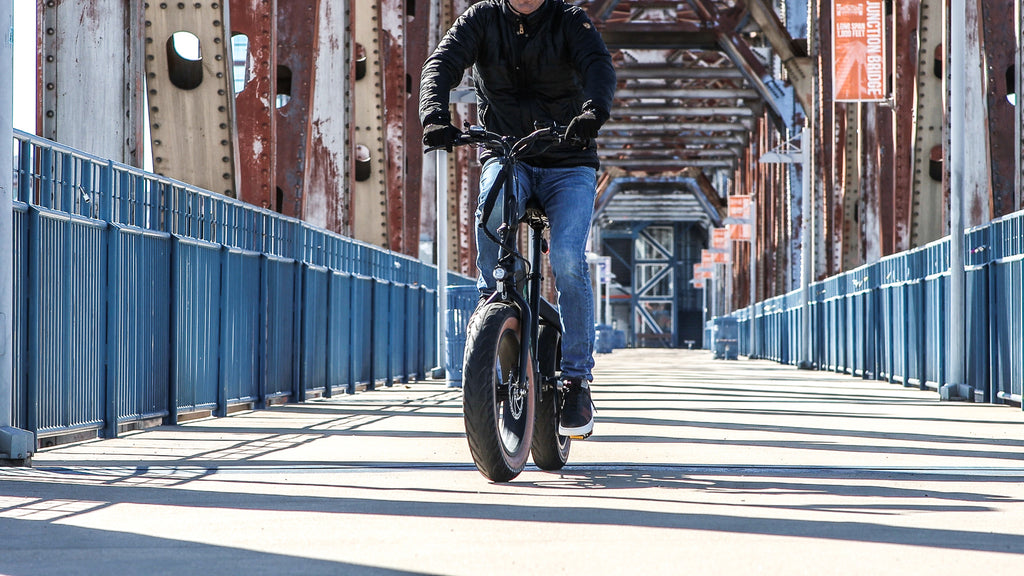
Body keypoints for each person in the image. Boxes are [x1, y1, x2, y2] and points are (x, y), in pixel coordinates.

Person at [419, 0, 616, 437]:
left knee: (566, 258)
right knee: (490, 217)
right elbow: (442, 64)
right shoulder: (481, 18)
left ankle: (577, 379)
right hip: (510, 153)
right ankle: (494, 311)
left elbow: (598, 66)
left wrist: (592, 113)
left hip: (569, 159)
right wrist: (434, 116)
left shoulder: (570, 20)